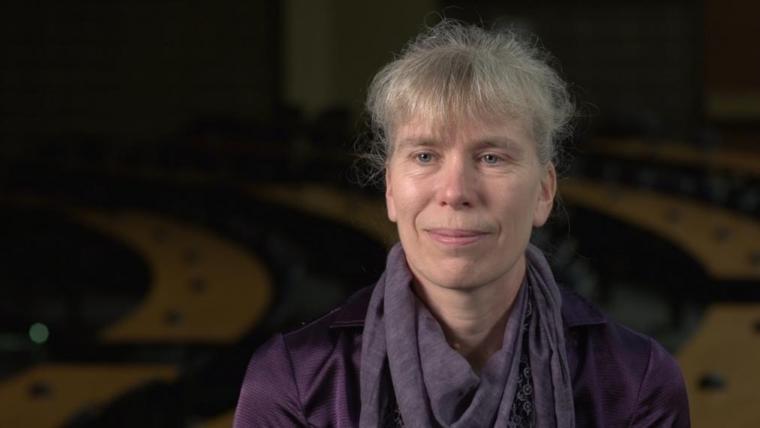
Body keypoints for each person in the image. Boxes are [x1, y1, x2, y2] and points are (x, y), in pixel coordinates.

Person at [234, 20, 690, 427]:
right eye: (425, 156)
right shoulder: (292, 382)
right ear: (391, 188)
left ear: (544, 192)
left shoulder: (635, 383)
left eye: (492, 157)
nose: (455, 191)